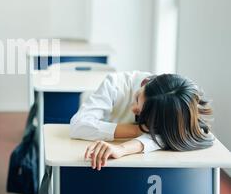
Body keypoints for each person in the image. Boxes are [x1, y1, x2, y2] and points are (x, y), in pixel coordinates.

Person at [70, 71, 214, 171]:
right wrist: (141, 129)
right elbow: (78, 125)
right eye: (138, 97)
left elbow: (177, 135)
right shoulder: (116, 83)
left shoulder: (174, 104)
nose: (133, 109)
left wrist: (123, 148)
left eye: (140, 114)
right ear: (146, 82)